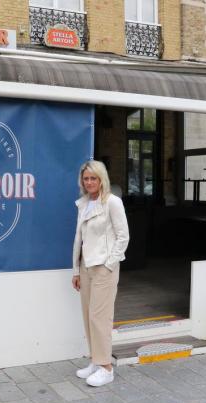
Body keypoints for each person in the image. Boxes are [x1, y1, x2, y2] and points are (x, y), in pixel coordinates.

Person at [71, 160, 129, 387]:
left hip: (104, 268)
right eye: (86, 179)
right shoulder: (83, 203)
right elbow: (79, 238)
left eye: (93, 178)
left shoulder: (113, 203)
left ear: (101, 179)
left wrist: (109, 264)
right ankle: (96, 361)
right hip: (86, 267)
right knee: (88, 316)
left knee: (100, 318)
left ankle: (106, 368)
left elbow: (123, 236)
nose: (89, 182)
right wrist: (76, 269)